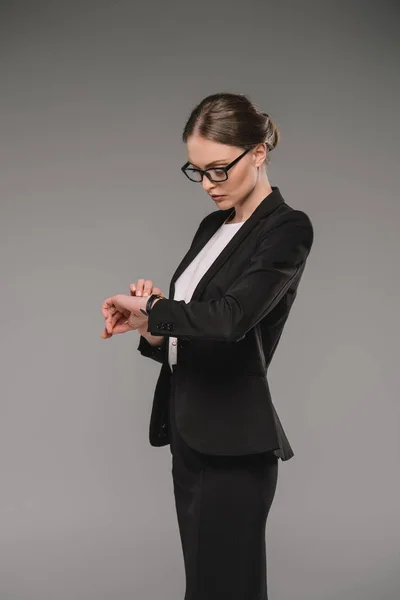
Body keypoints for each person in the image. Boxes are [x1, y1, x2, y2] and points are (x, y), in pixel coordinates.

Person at [101, 92, 314, 600]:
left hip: (234, 443)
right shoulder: (211, 228)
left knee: (230, 587)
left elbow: (231, 320)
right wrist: (149, 326)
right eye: (197, 171)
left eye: (219, 169)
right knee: (204, 585)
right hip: (191, 432)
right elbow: (196, 330)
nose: (208, 185)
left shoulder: (286, 229)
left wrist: (158, 311)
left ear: (259, 152)